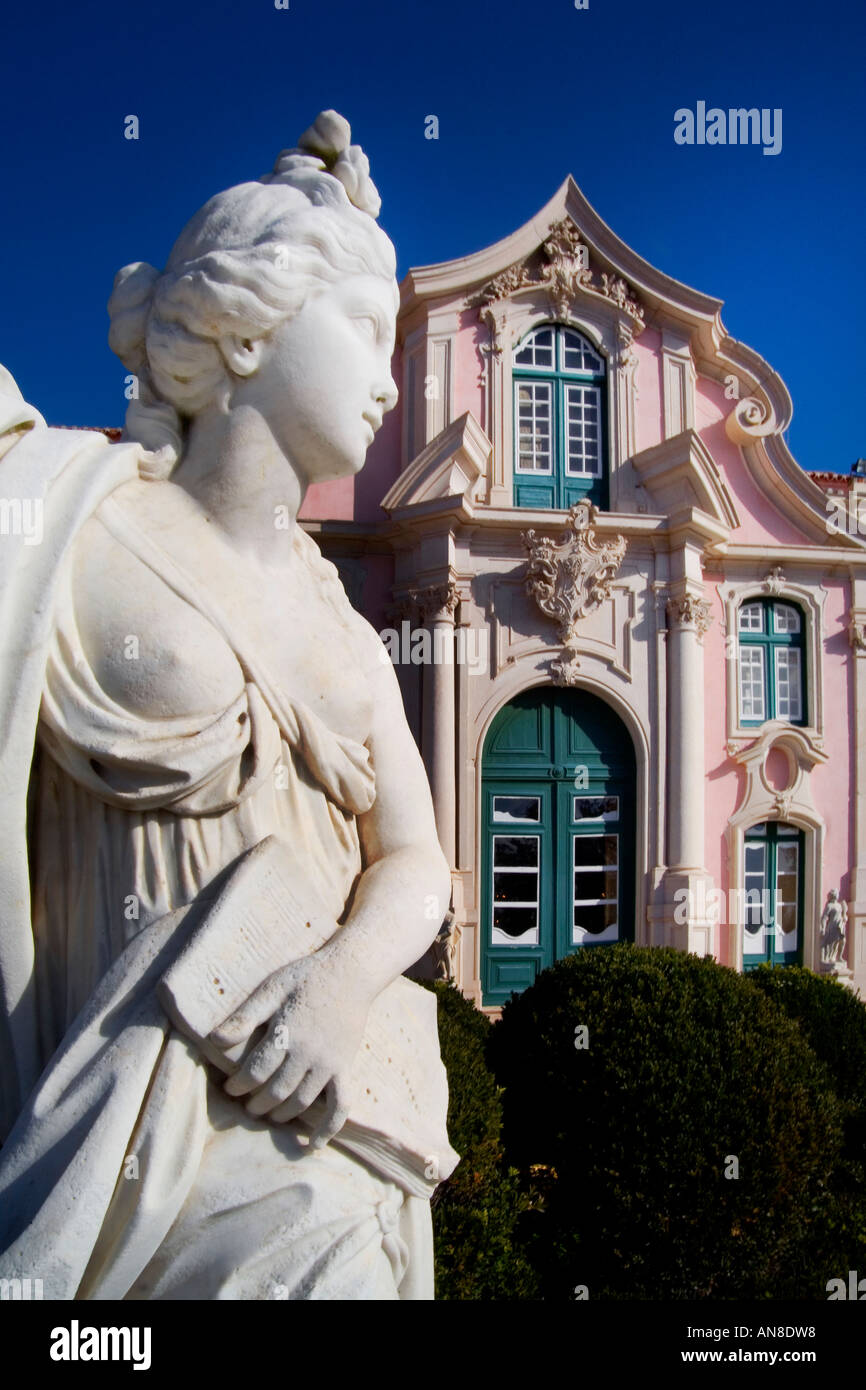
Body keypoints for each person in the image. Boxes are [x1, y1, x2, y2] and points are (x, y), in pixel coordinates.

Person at [0, 110, 456, 1300]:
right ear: (248, 329)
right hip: (91, 1126)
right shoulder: (66, 521)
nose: (386, 379)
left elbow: (417, 859)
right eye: (366, 332)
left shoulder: (353, 643)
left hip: (307, 1137)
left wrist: (341, 982)